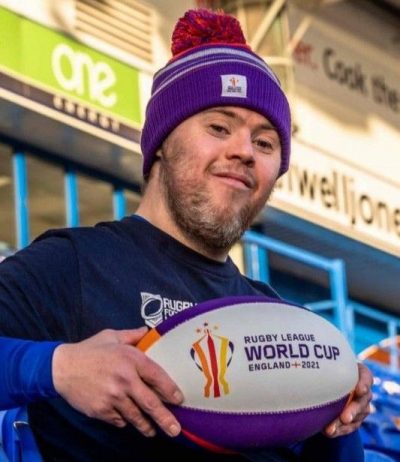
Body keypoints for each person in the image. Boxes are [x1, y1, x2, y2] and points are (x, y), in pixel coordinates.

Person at [0, 8, 372, 462]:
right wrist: (56, 367)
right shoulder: (74, 264)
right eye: (218, 127)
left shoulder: (279, 320)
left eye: (265, 142)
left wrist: (341, 414)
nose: (243, 152)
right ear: (161, 144)